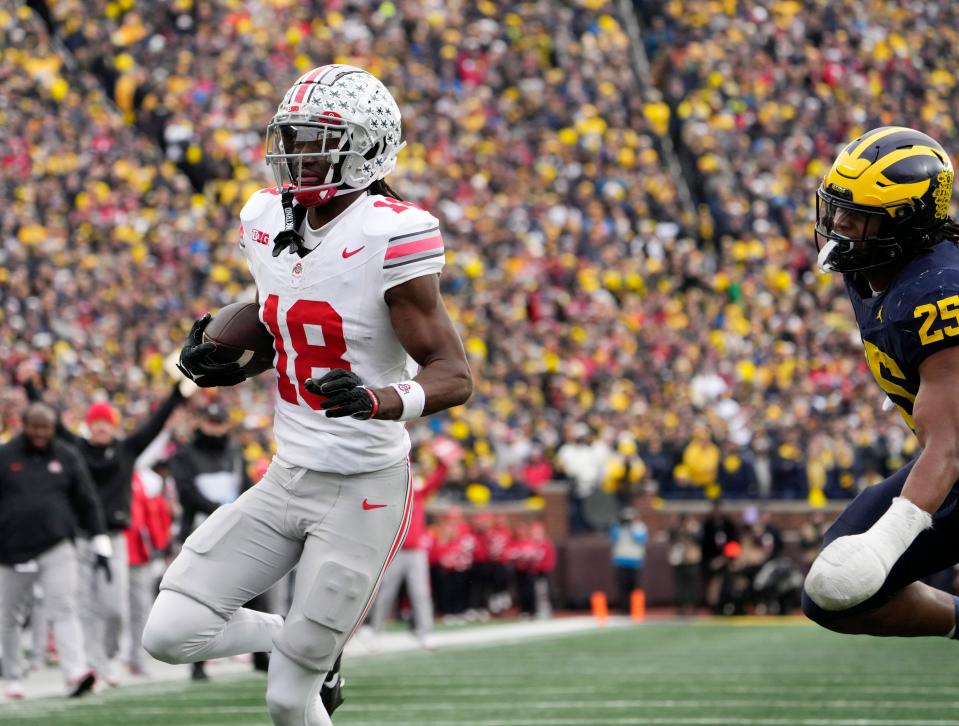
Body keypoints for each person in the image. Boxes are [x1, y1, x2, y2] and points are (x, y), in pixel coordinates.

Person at [142, 64, 472, 726]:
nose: (300, 155)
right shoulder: (266, 217)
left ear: (368, 148)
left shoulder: (392, 231)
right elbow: (285, 317)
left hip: (363, 487)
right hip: (287, 475)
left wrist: (380, 399)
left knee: (289, 697)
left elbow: (452, 372)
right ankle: (286, 640)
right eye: (294, 138)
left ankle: (303, 660)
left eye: (320, 141)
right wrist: (231, 353)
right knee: (169, 632)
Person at [803, 126, 959, 640]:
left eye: (858, 217)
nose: (838, 226)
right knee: (834, 589)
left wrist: (889, 540)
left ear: (909, 226)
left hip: (951, 454)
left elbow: (949, 445)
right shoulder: (873, 264)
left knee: (861, 571)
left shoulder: (938, 291)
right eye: (836, 208)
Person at [20, 364, 190, 685]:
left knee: (114, 609)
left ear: (113, 426)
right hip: (81, 536)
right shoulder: (77, 450)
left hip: (114, 538)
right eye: (95, 423)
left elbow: (154, 425)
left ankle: (110, 656)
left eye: (105, 423)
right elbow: (52, 425)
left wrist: (177, 394)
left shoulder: (125, 451)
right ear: (88, 426)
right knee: (83, 605)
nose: (100, 428)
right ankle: (95, 666)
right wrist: (31, 387)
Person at [0, 403, 107, 699]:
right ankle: (12, 677)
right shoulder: (5, 456)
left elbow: (87, 499)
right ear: (22, 424)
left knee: (64, 607)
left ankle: (74, 672)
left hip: (56, 546)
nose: (40, 433)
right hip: (12, 550)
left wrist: (100, 539)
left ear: (53, 428)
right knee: (10, 617)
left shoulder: (66, 455)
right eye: (34, 427)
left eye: (45, 427)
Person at [168, 403, 268, 679]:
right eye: (210, 422)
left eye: (218, 422)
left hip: (235, 530)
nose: (214, 427)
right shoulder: (186, 454)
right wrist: (221, 510)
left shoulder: (234, 452)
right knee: (199, 598)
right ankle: (196, 662)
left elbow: (246, 486)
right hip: (200, 532)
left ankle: (260, 656)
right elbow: (186, 492)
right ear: (202, 423)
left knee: (254, 592)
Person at [608, 507, 649, 613]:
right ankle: (623, 608)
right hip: (621, 560)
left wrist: (631, 528)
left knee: (634, 587)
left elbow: (639, 539)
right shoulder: (618, 527)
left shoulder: (640, 527)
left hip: (635, 561)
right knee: (622, 586)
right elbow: (614, 537)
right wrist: (620, 525)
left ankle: (635, 608)